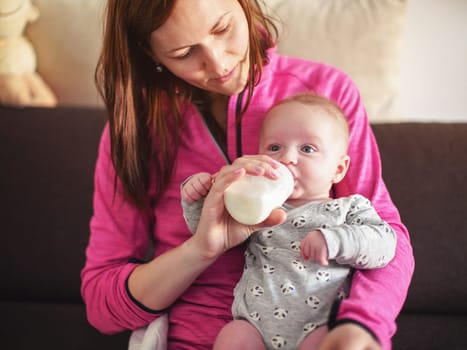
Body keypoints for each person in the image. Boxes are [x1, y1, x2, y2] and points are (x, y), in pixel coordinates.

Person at [80, 1, 414, 349]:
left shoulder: (325, 92)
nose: (218, 63)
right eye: (183, 53)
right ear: (151, 55)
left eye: (223, 29)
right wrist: (199, 251)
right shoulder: (137, 130)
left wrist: (359, 327)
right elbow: (101, 303)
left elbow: (385, 237)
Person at [181, 93, 397, 350]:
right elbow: (209, 232)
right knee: (232, 337)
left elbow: (384, 244)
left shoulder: (348, 207)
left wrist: (335, 239)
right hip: (255, 324)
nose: (287, 158)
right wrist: (198, 197)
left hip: (318, 323)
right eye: (275, 148)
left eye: (307, 149)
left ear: (339, 169)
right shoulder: (259, 208)